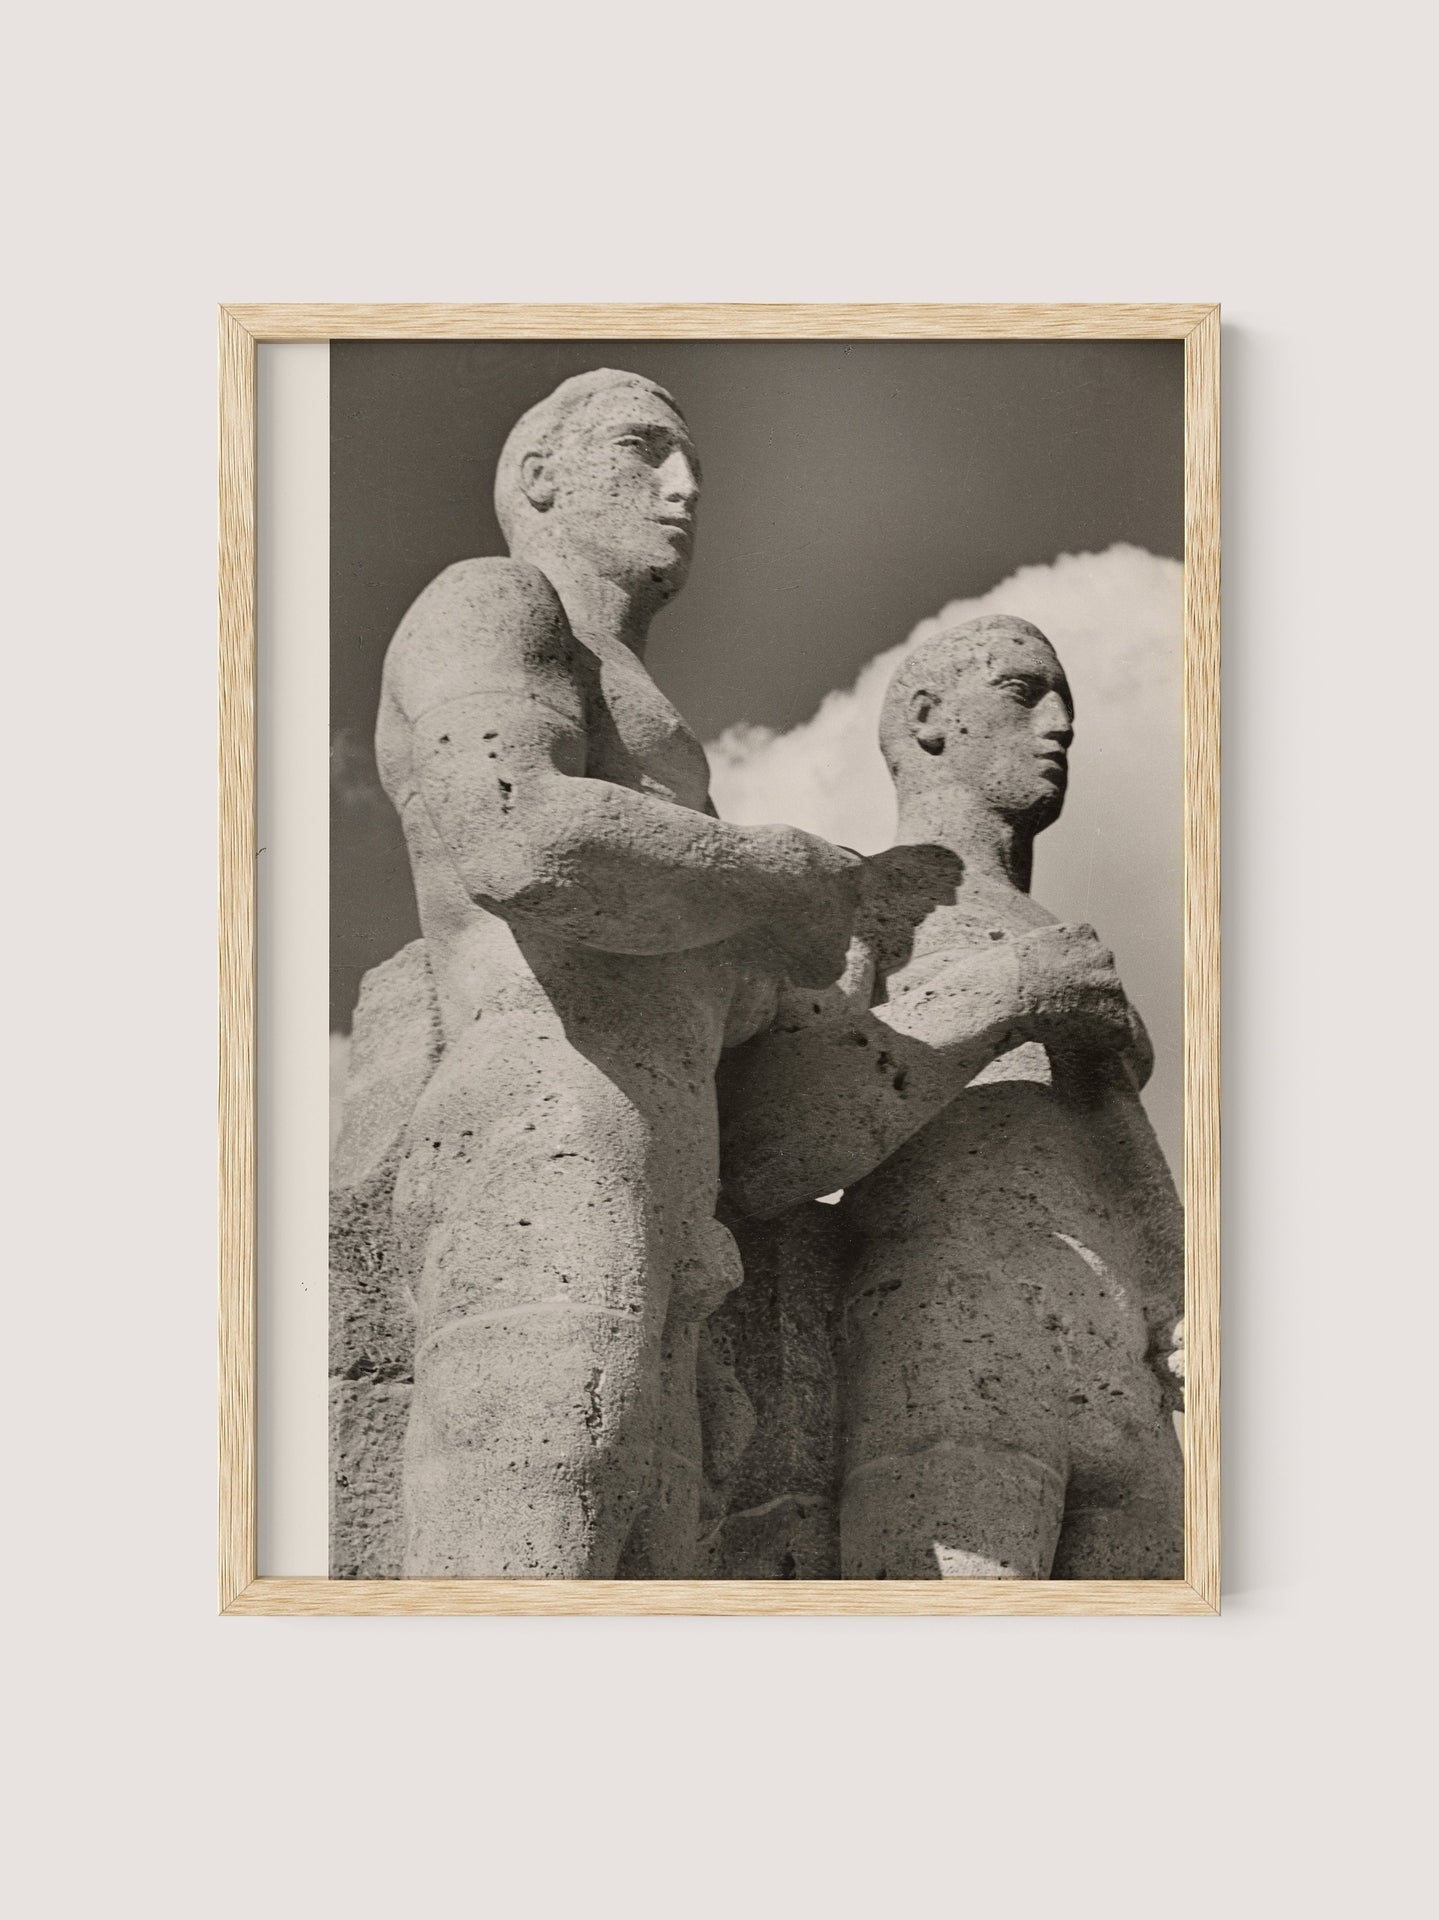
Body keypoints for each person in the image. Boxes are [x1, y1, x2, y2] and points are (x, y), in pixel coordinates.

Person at [378, 369, 860, 1577]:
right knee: (536, 1519)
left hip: (676, 1194)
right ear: (540, 477)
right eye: (646, 453)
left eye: (687, 461)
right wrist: (775, 873)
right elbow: (513, 830)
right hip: (551, 1122)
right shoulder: (492, 602)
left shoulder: (659, 745)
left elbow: (727, 1014)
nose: (685, 488)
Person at [719, 615, 1183, 1578]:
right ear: (927, 718)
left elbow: (1124, 1157)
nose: (1058, 726)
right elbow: (768, 1146)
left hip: (1123, 1370)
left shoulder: (1060, 932)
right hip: (956, 1323)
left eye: (1065, 706)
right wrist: (1008, 999)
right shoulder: (865, 903)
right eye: (1023, 694)